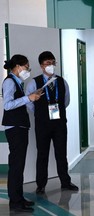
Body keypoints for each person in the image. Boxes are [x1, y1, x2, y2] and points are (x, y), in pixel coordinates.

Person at [26, 51, 78, 194]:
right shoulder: (33, 83)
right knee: (42, 154)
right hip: (42, 124)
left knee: (61, 153)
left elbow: (66, 100)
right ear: (42, 66)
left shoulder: (61, 81)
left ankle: (65, 182)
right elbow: (29, 103)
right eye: (47, 63)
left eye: (52, 62)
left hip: (59, 124)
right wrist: (40, 113)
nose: (51, 65)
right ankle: (41, 184)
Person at [2, 54, 42, 212]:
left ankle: (18, 198)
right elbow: (8, 105)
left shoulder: (18, 83)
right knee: (16, 166)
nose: (27, 70)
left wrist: (30, 97)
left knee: (19, 165)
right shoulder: (10, 82)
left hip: (20, 127)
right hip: (15, 128)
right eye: (26, 67)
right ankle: (15, 202)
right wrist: (28, 98)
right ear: (17, 67)